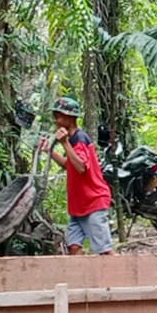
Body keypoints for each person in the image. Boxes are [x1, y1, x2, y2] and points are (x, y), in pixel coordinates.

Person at [40, 96, 114, 255]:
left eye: (58, 116)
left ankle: (122, 277)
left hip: (93, 202)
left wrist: (65, 143)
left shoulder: (79, 139)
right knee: (74, 248)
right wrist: (49, 151)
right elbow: (69, 165)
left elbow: (81, 167)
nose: (56, 121)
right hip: (79, 206)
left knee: (105, 252)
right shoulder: (72, 140)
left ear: (70, 117)